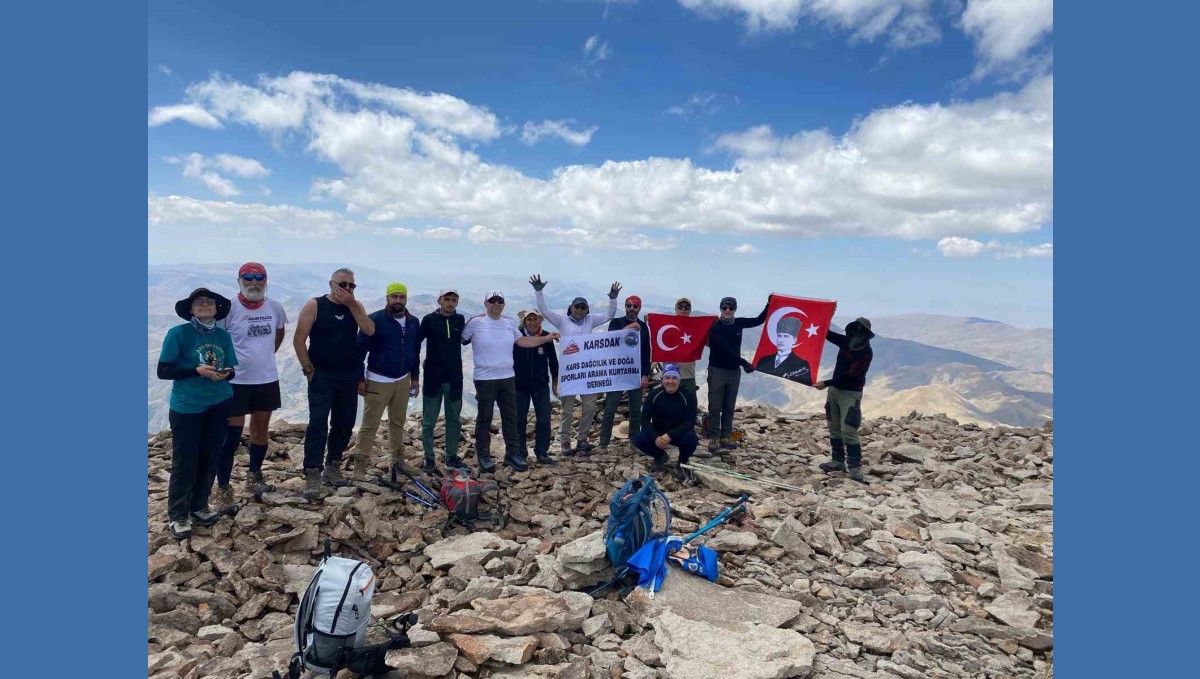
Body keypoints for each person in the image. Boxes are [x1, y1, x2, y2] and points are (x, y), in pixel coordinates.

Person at [156, 288, 238, 539]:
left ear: (216, 308)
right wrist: (196, 371)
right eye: (198, 302)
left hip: (219, 402)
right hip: (187, 406)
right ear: (190, 309)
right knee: (186, 460)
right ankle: (178, 514)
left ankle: (199, 506)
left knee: (210, 455)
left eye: (209, 302)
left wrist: (224, 374)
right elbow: (164, 370)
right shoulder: (178, 334)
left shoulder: (223, 335)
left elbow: (231, 369)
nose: (204, 305)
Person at [293, 268, 376, 500]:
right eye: (343, 284)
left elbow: (369, 329)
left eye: (351, 286)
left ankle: (333, 465)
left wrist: (352, 305)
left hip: (348, 375)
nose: (347, 289)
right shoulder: (315, 305)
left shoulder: (355, 306)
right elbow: (299, 339)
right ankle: (312, 471)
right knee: (318, 422)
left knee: (344, 421)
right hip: (322, 375)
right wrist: (308, 369)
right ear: (331, 284)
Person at [213, 263, 287, 508]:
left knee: (260, 429)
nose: (254, 283)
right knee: (231, 434)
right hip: (236, 380)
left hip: (266, 378)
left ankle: (254, 475)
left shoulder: (274, 307)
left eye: (259, 278)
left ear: (266, 280)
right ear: (239, 281)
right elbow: (218, 340)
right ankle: (222, 486)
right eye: (248, 278)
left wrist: (266, 356)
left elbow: (279, 333)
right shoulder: (228, 310)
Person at [462, 291, 560, 472]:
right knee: (485, 418)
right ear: (485, 303)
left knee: (510, 418)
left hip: (508, 378)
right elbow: (461, 339)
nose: (496, 303)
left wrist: (547, 338)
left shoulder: (509, 323)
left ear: (504, 304)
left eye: (500, 300)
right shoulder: (476, 323)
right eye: (492, 300)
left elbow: (523, 341)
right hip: (485, 379)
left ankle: (512, 454)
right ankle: (483, 456)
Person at [529, 274, 620, 455]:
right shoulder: (562, 320)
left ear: (587, 310)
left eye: (583, 307)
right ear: (571, 308)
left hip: (587, 372)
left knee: (589, 407)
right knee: (567, 409)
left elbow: (609, 315)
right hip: (569, 372)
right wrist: (539, 292)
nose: (579, 310)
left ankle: (582, 439)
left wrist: (613, 299)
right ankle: (564, 441)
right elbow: (545, 311)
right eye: (576, 307)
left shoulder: (590, 320)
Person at [352, 282, 421, 480]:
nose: (398, 300)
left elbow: (414, 352)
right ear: (387, 298)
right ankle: (359, 465)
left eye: (401, 296)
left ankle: (397, 461)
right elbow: (359, 351)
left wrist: (414, 377)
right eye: (394, 296)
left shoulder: (413, 322)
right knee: (370, 424)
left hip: (403, 379)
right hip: (377, 380)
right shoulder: (375, 320)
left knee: (398, 422)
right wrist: (360, 378)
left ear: (406, 299)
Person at [815, 318, 875, 483]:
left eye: (860, 331)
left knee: (848, 429)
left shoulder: (866, 353)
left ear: (865, 335)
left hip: (850, 393)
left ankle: (855, 467)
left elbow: (851, 375)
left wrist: (826, 383)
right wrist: (828, 314)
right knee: (834, 427)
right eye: (855, 330)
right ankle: (838, 461)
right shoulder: (845, 342)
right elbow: (825, 334)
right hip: (835, 391)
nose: (857, 334)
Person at [705, 296, 768, 454]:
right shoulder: (715, 326)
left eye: (731, 308)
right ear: (720, 308)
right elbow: (723, 348)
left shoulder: (738, 323)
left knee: (729, 406)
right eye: (724, 307)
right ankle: (714, 438)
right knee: (715, 405)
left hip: (734, 371)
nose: (727, 310)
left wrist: (769, 303)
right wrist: (744, 362)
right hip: (717, 369)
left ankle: (725, 437)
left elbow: (759, 320)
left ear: (735, 309)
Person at [417, 288, 468, 476]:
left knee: (454, 418)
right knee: (429, 421)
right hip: (432, 377)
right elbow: (416, 342)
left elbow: (466, 339)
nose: (450, 302)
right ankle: (428, 457)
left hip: (454, 377)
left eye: (454, 299)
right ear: (439, 300)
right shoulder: (429, 320)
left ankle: (451, 457)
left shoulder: (459, 320)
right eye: (447, 299)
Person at [598, 295, 651, 450]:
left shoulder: (644, 327)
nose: (632, 309)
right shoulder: (616, 322)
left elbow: (646, 352)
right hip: (617, 373)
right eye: (629, 305)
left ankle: (635, 441)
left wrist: (645, 374)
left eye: (635, 306)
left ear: (639, 308)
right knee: (610, 408)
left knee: (635, 409)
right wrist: (630, 327)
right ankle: (603, 441)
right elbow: (611, 340)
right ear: (625, 307)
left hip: (635, 373)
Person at [633, 365, 699, 484]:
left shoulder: (688, 395)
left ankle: (682, 462)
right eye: (667, 378)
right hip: (658, 433)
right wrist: (655, 437)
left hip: (679, 433)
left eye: (674, 378)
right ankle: (659, 456)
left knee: (691, 438)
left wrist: (669, 435)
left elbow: (690, 422)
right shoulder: (654, 394)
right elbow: (645, 419)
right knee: (638, 438)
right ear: (662, 380)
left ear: (679, 380)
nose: (670, 381)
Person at [514, 309, 559, 465]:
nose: (532, 322)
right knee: (519, 419)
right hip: (519, 385)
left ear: (540, 320)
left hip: (541, 384)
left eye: (535, 319)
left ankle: (542, 451)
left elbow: (553, 361)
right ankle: (520, 453)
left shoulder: (546, 336)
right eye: (529, 319)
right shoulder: (517, 335)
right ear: (524, 321)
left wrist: (555, 381)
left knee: (544, 419)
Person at [753, 316, 813, 384]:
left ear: (794, 340)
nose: (781, 340)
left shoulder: (802, 365)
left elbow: (804, 384)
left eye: (786, 336)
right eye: (779, 336)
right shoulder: (763, 360)